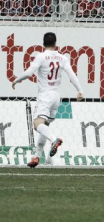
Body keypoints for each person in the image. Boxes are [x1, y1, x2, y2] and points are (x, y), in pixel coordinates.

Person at [12, 32, 84, 168]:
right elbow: (71, 74)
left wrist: (16, 80)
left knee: (37, 124)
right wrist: (80, 90)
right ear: (55, 44)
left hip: (45, 96)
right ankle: (36, 156)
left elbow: (29, 73)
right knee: (45, 126)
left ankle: (54, 140)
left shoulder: (41, 56)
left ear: (43, 44)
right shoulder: (62, 58)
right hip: (56, 97)